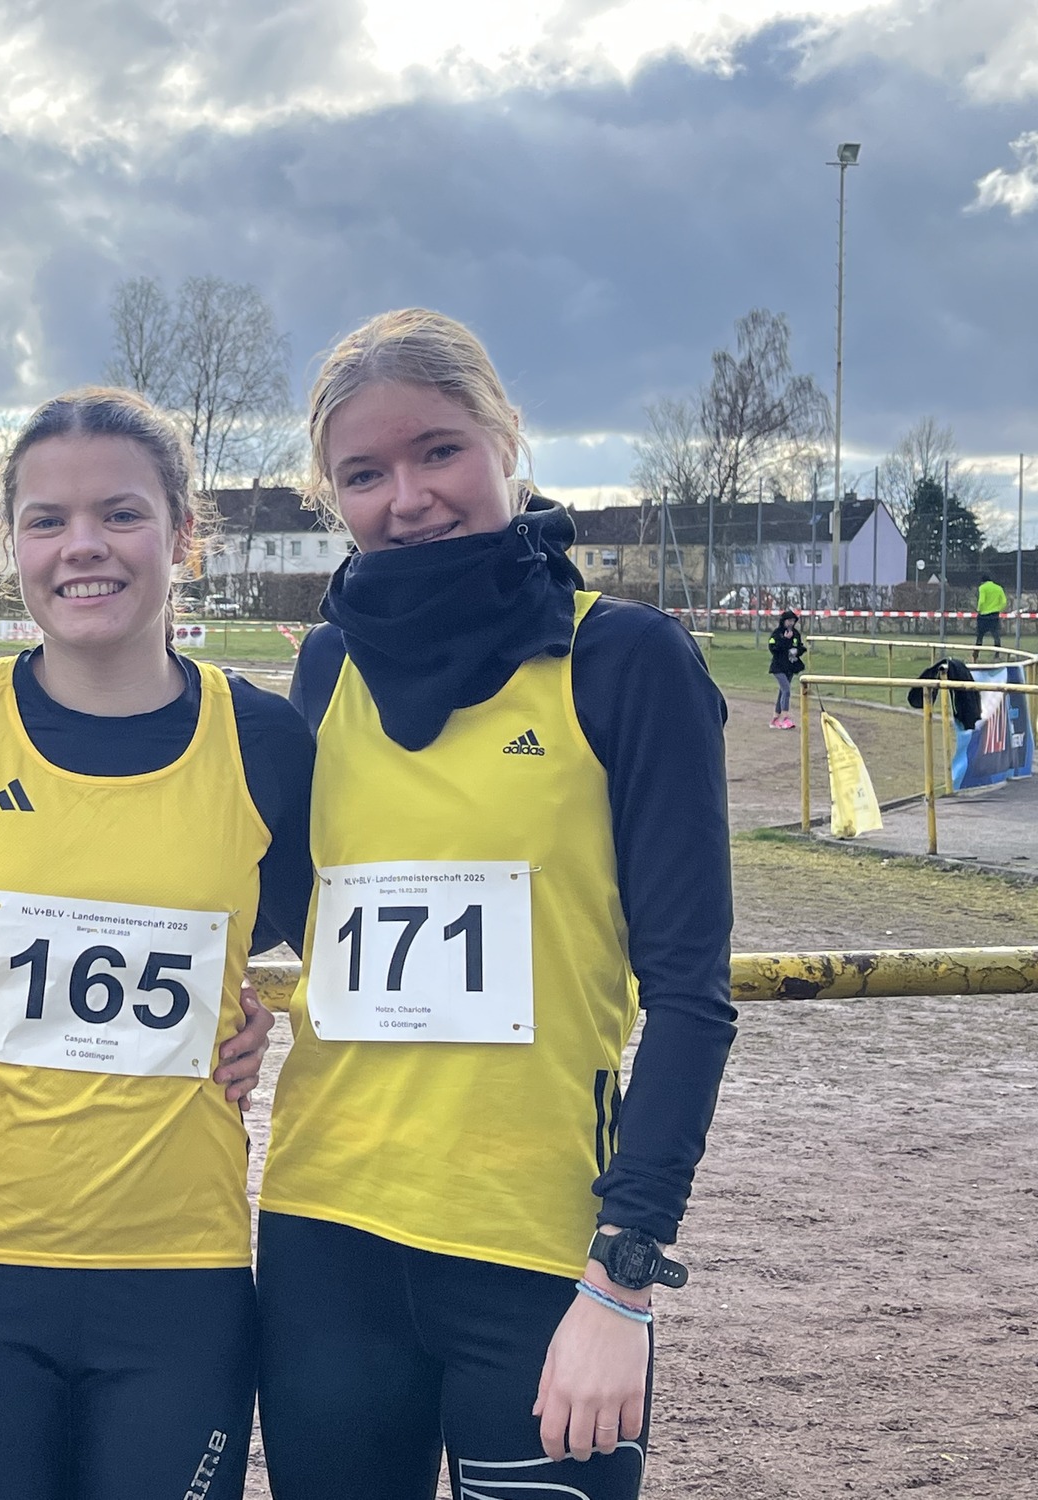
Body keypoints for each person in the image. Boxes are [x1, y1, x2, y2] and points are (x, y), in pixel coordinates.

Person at [255, 309, 737, 1500]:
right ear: (331, 494)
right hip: (326, 1242)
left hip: (538, 1260)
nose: (406, 497)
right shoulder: (326, 666)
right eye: (362, 474)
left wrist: (621, 1280)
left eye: (438, 451)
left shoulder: (625, 661)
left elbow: (689, 997)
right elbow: (296, 917)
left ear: (504, 440)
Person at [0, 388, 311, 1500]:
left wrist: (244, 1015)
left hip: (181, 1272)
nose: (83, 546)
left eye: (121, 514)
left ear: (182, 536)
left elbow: (310, 943)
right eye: (47, 519)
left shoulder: (265, 742)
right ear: (8, 544)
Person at [766, 609, 805, 728]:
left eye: (793, 621)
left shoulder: (796, 634)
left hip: (790, 667)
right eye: (789, 621)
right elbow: (773, 647)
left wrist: (797, 651)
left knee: (782, 691)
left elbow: (800, 647)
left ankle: (775, 718)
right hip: (778, 667)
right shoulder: (777, 633)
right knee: (786, 690)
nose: (791, 623)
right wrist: (785, 640)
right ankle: (785, 717)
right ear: (784, 621)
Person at [975, 573, 1006, 648]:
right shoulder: (998, 588)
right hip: (994, 615)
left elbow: (982, 600)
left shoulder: (982, 587)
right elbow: (1004, 601)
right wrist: (999, 609)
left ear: (982, 581)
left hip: (983, 616)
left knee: (980, 635)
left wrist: (979, 609)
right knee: (996, 635)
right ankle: (997, 652)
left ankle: (976, 653)